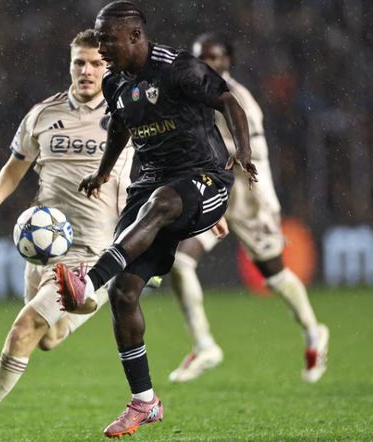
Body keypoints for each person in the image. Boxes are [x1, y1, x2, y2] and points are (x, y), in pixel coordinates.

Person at [0, 29, 134, 442]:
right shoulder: (43, 114)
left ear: (109, 67)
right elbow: (17, 163)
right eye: (79, 62)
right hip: (42, 248)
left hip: (94, 251)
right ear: (70, 64)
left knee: (23, 330)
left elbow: (162, 161)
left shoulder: (126, 114)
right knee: (47, 339)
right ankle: (84, 302)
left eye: (96, 63)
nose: (87, 71)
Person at [54, 1, 257, 438]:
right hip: (152, 186)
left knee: (162, 203)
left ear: (134, 36)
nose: (101, 48)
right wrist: (104, 172)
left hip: (205, 177)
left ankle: (88, 281)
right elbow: (120, 126)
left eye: (107, 39)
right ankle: (144, 401)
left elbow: (228, 100)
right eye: (97, 38)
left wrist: (242, 150)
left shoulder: (177, 67)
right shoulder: (115, 82)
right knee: (124, 292)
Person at [168, 33, 329, 384]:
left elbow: (254, 155)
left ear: (228, 61)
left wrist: (269, 204)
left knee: (274, 275)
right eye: (201, 57)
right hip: (215, 192)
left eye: (214, 57)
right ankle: (204, 345)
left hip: (248, 197)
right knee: (180, 262)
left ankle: (313, 332)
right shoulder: (191, 94)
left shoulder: (239, 100)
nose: (207, 63)